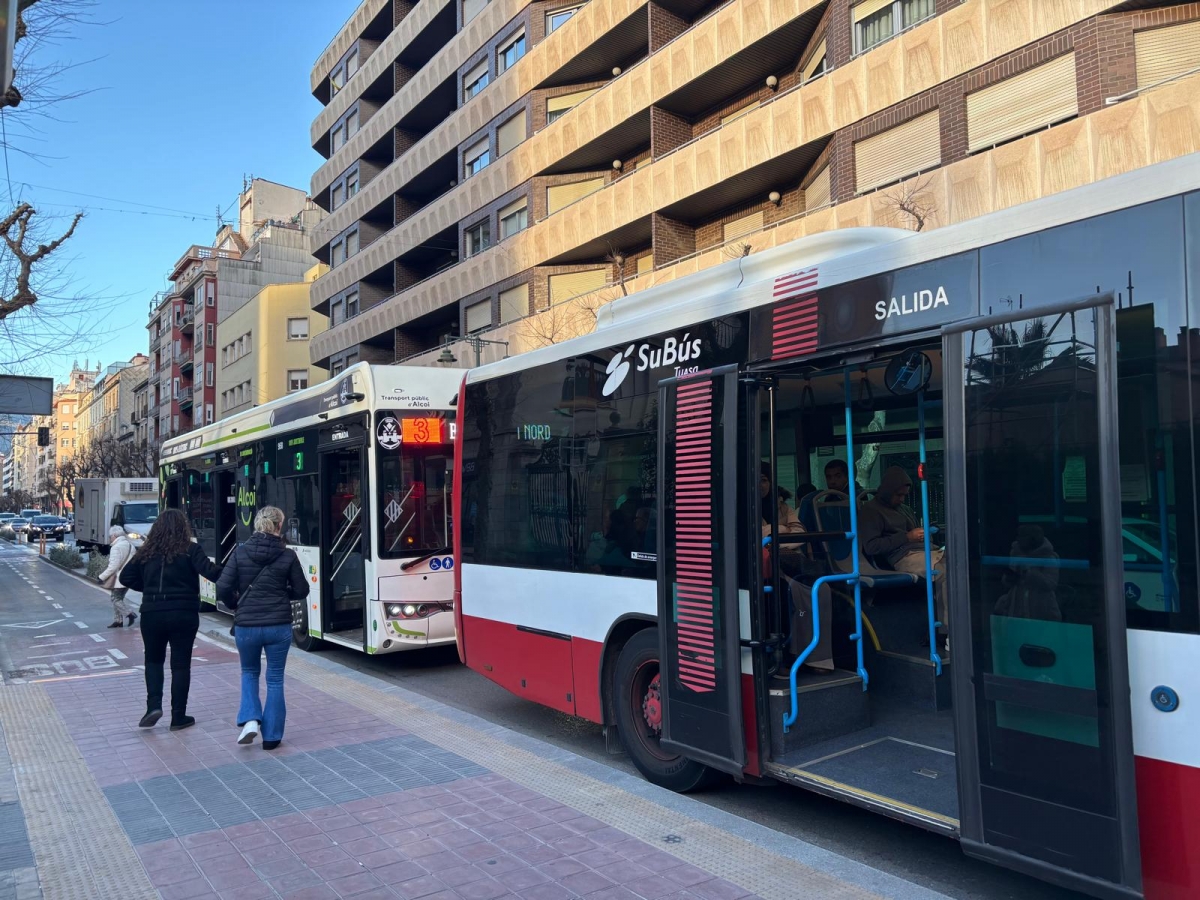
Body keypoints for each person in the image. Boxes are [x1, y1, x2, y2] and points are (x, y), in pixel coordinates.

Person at [216, 506, 309, 750]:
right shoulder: (287, 555)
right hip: (278, 626)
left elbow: (223, 587)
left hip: (246, 626)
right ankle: (272, 737)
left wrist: (237, 605)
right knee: (275, 679)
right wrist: (280, 594)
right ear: (279, 526)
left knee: (249, 672)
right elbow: (302, 591)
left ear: (257, 525)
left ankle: (250, 720)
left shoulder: (240, 553)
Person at [120, 509, 222, 731]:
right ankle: (178, 716)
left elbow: (125, 577)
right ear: (182, 527)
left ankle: (153, 706)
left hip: (152, 613)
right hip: (183, 613)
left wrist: (148, 589)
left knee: (153, 661)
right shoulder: (191, 550)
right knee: (180, 665)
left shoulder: (145, 552)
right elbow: (213, 574)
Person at [858, 466, 949, 652]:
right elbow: (871, 546)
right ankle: (945, 631)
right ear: (887, 491)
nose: (901, 499)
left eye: (904, 495)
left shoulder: (904, 509)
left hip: (925, 550)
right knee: (943, 572)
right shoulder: (871, 511)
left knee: (958, 565)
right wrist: (907, 537)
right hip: (903, 555)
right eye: (898, 495)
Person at [98, 525, 137, 628]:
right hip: (129, 577)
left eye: (110, 536)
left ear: (114, 535)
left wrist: (101, 577)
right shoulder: (130, 545)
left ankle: (130, 614)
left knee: (115, 599)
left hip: (119, 578)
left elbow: (113, 566)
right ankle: (118, 621)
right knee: (119, 598)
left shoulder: (116, 547)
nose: (110, 538)